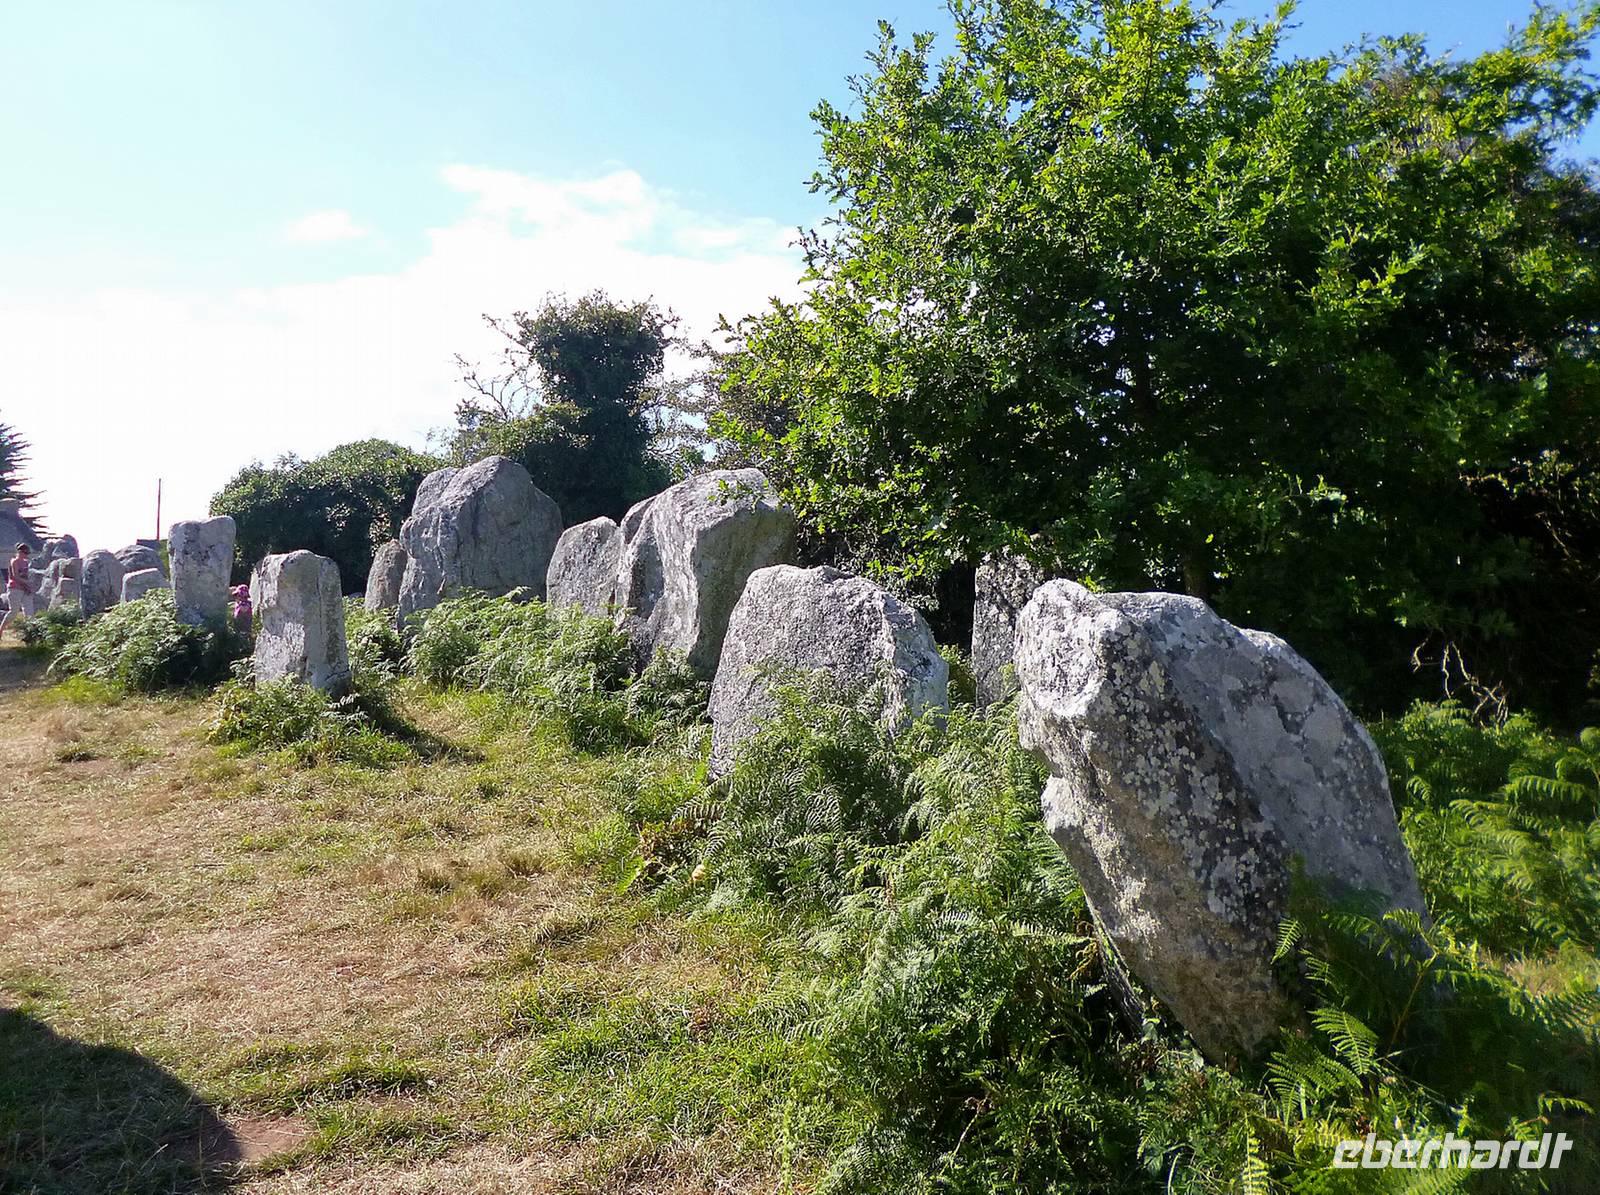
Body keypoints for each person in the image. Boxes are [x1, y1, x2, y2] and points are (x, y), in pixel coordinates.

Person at [0, 544, 33, 640]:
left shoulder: (26, 563)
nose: (26, 555)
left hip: (25, 589)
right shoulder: (14, 561)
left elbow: (26, 576)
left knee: (29, 612)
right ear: (19, 552)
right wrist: (26, 583)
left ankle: (29, 634)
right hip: (14, 588)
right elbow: (15, 576)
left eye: (27, 553)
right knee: (13, 612)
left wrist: (28, 586)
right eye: (25, 553)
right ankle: (1, 629)